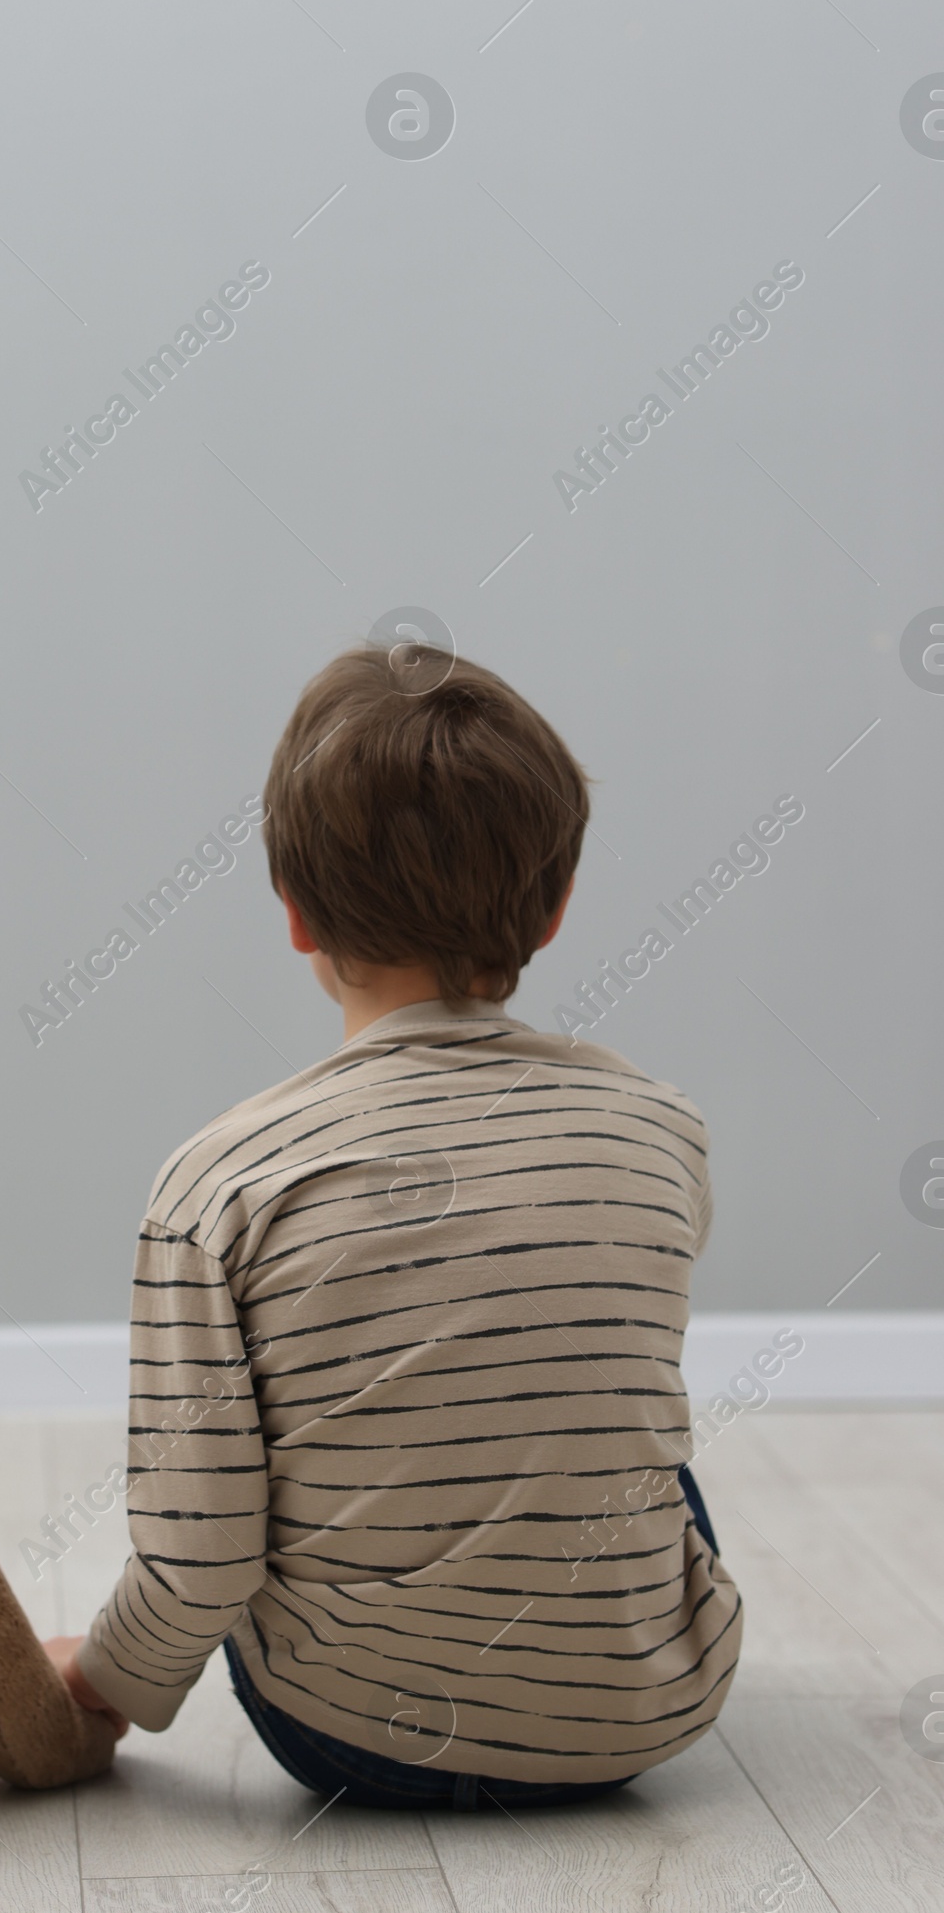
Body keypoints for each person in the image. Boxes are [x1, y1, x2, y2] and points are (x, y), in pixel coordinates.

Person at [45, 642, 739, 1809]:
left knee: (255, 1459)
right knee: (626, 1434)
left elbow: (205, 1551)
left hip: (351, 1738)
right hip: (641, 1721)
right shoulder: (657, 1127)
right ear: (556, 905)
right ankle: (575, 1659)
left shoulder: (221, 1179)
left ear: (297, 915)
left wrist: (102, 1682)